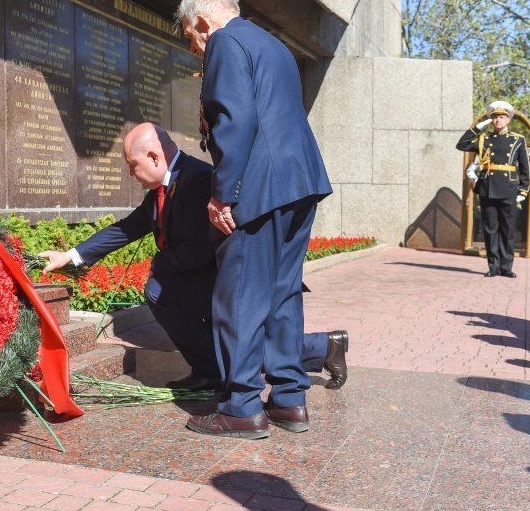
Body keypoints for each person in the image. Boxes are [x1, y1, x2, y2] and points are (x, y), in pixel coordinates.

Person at [39, 123, 348, 392]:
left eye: (132, 164)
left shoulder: (196, 180)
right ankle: (321, 347)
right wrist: (71, 256)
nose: (131, 173)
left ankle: (215, 368)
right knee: (233, 343)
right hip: (209, 278)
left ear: (154, 157)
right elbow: (128, 228)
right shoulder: (167, 186)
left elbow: (199, 248)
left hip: (227, 278)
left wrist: (158, 265)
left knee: (166, 297)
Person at [177, 0, 333, 439]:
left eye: (191, 39)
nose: (196, 50)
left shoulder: (225, 41)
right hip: (301, 181)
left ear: (203, 23)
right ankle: (288, 399)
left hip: (260, 186)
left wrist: (223, 193)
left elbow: (237, 119)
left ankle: (241, 405)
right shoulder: (273, 45)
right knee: (283, 292)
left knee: (239, 296)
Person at [456, 101, 530, 277]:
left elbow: (524, 168)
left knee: (507, 229)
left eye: (501, 117)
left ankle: (506, 267)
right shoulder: (484, 138)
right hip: (488, 187)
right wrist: (477, 129)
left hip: (509, 188)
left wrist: (523, 190)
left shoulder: (518, 139)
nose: (498, 120)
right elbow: (461, 145)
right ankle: (493, 267)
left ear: (508, 120)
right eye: (495, 117)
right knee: (490, 229)